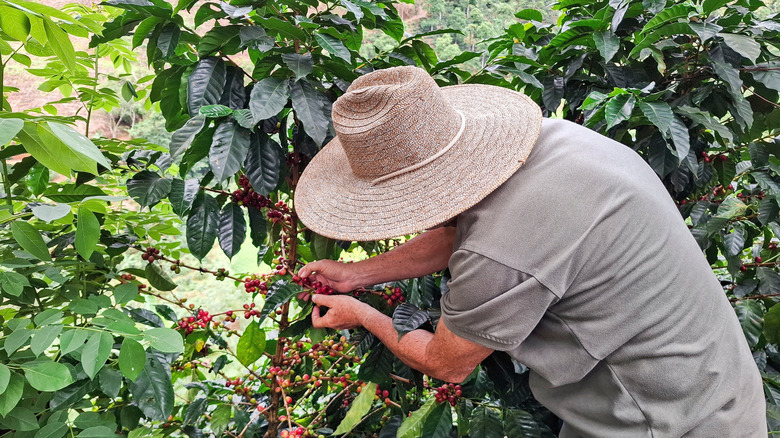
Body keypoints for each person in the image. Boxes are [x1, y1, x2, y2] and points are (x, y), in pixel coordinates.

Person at [292, 66, 766, 437]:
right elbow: (467, 231)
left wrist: (363, 314)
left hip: (661, 418)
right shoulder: (552, 142)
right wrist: (358, 274)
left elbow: (447, 362)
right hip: (710, 382)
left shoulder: (501, 250)